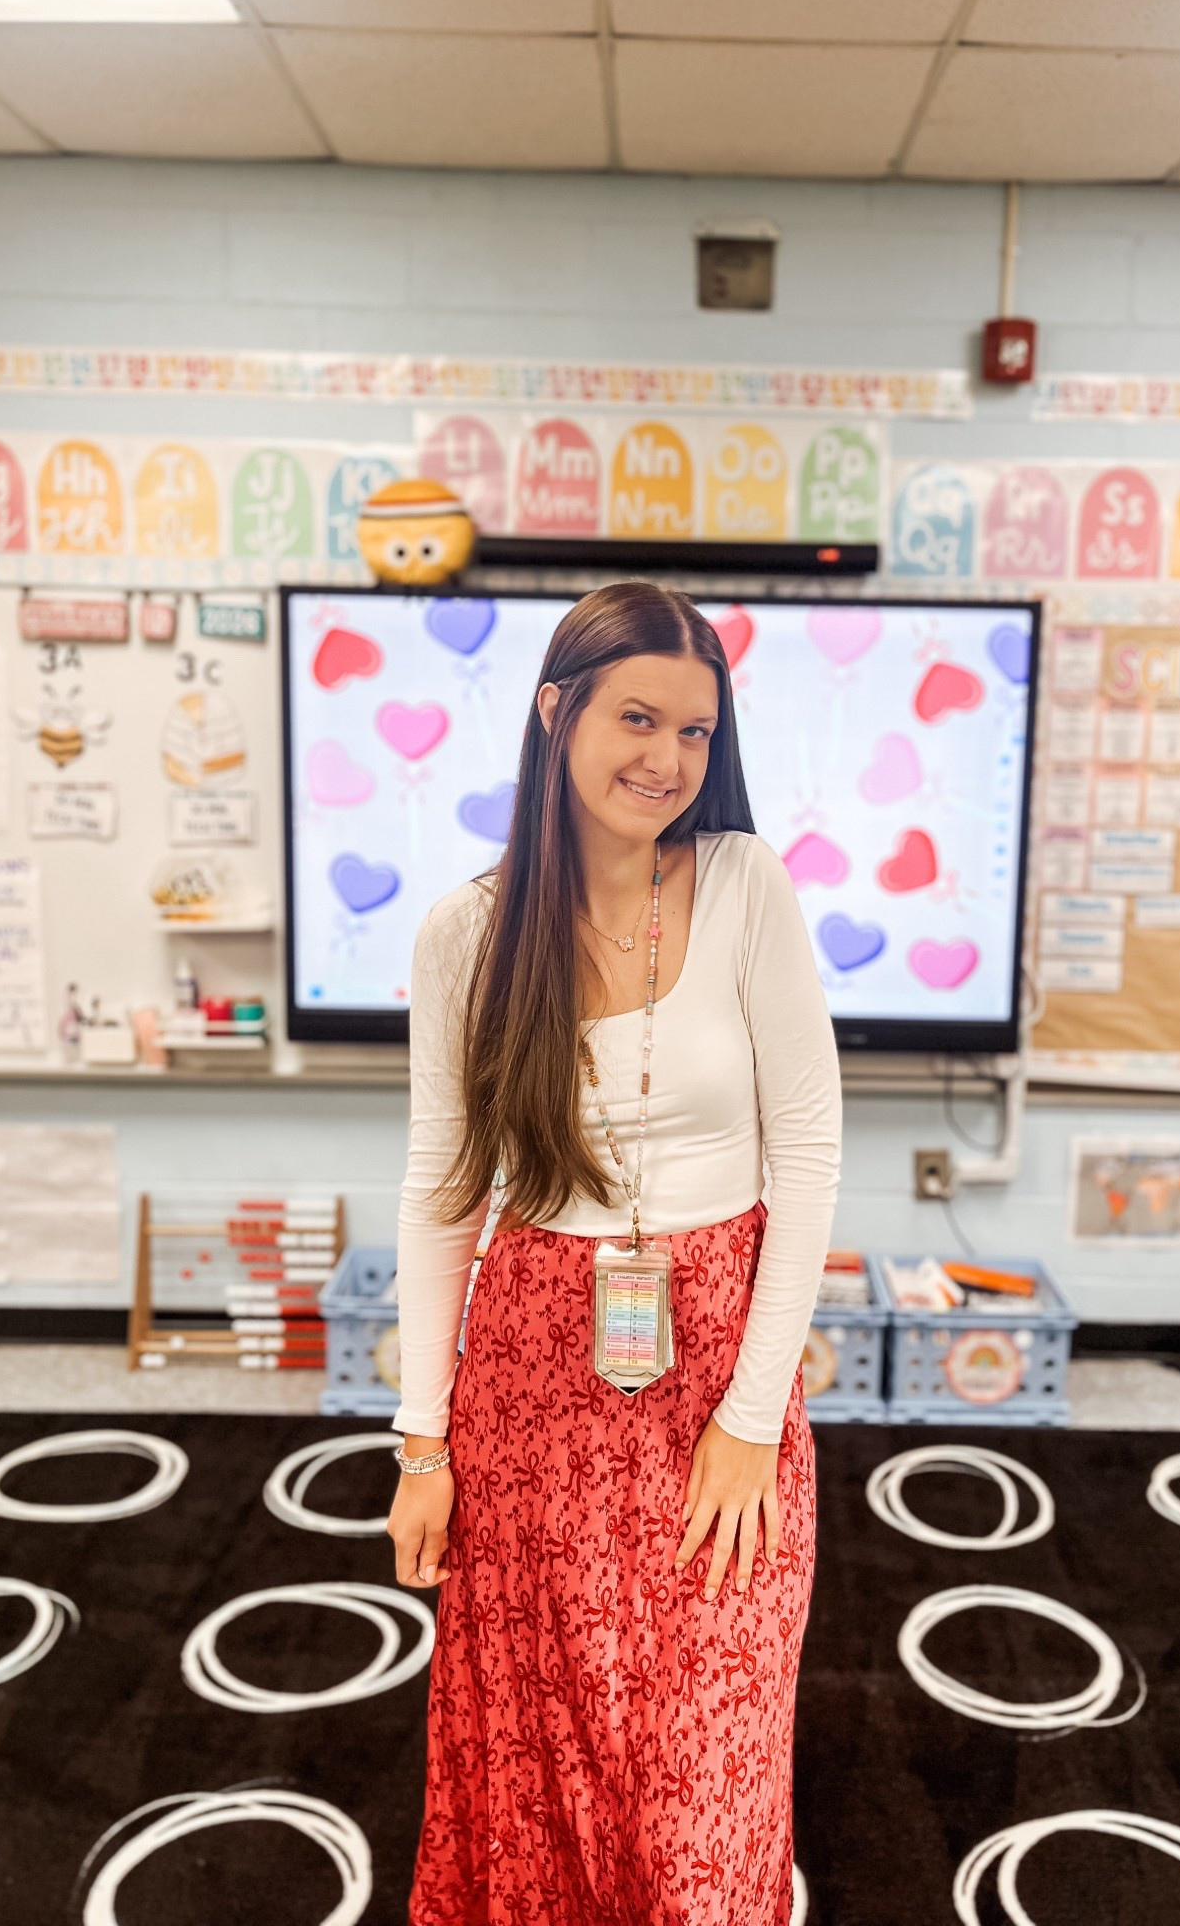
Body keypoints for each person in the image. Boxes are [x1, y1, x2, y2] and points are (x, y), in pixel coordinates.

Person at [387, 578, 843, 1924]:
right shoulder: (468, 933)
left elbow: (807, 1155)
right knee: (537, 1756)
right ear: (555, 713)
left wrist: (753, 1418)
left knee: (701, 1774)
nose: (668, 758)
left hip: (716, 1358)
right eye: (637, 718)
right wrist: (423, 1443)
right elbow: (440, 1193)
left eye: (697, 733)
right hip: (530, 1371)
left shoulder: (746, 884)